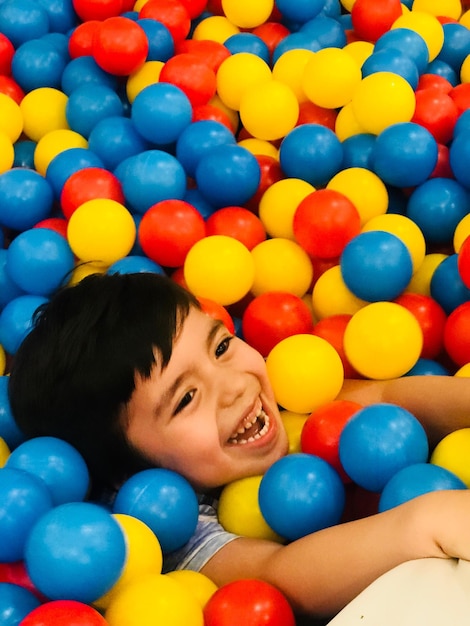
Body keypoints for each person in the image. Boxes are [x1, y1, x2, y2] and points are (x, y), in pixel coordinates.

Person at [8, 271, 470, 621]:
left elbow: (387, 397)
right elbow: (278, 576)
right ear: (129, 475)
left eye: (222, 347)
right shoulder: (167, 531)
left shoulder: (286, 395)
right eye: (186, 398)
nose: (232, 386)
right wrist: (425, 522)